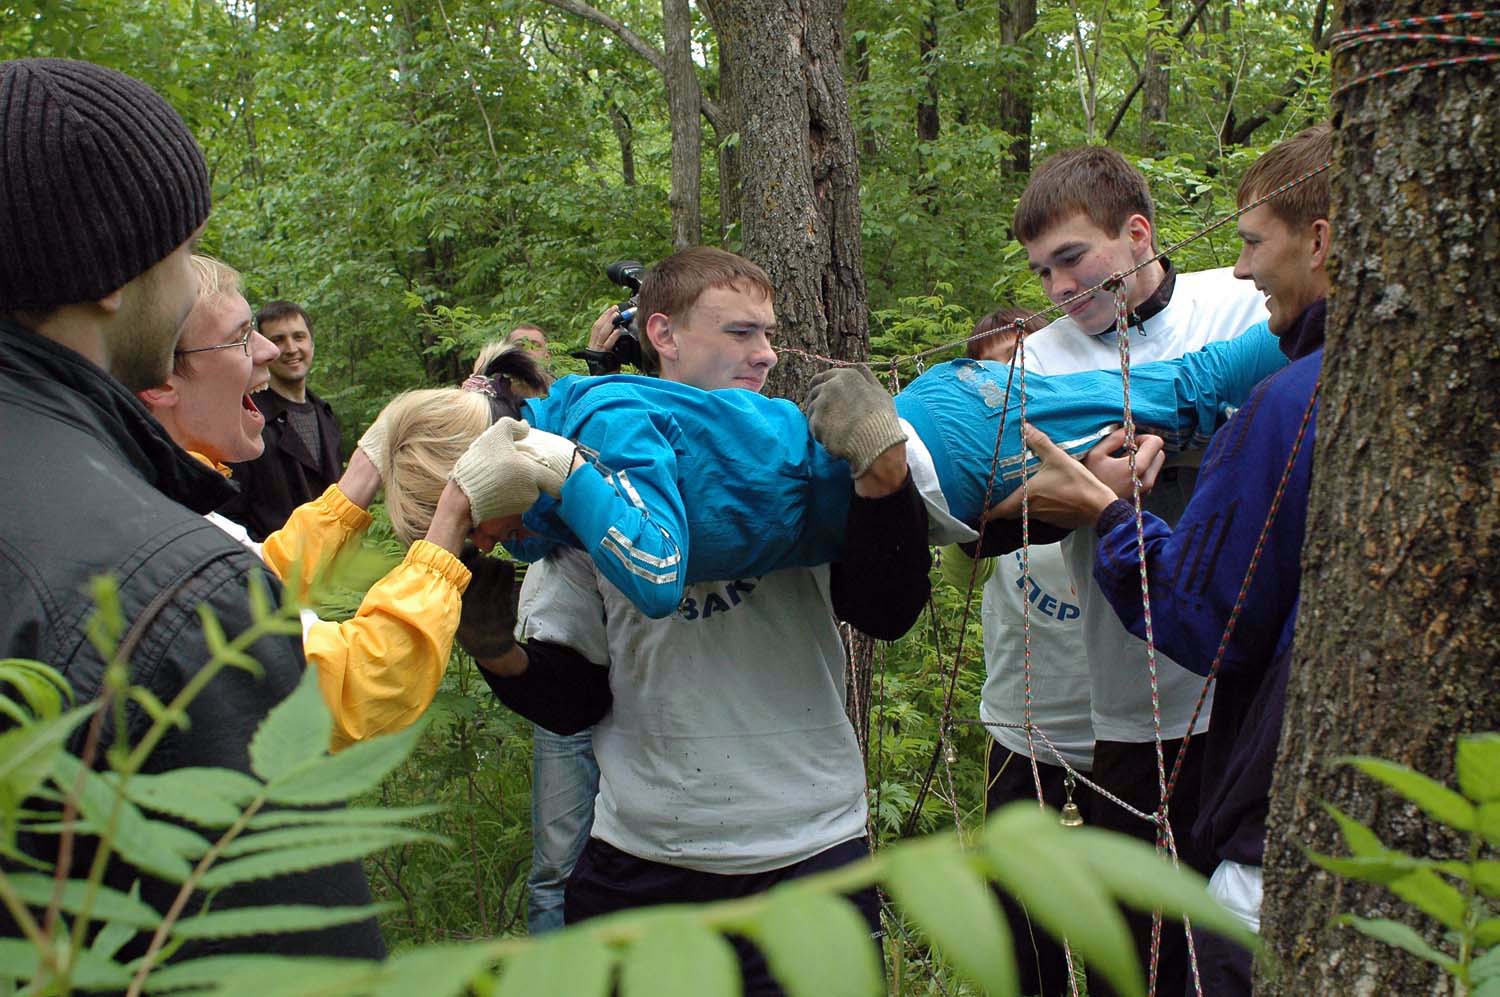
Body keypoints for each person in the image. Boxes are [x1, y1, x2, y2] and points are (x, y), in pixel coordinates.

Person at [454, 246, 932, 994]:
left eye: (770, 334)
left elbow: (884, 610)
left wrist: (883, 476)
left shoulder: (799, 455)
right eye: (741, 333)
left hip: (808, 845)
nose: (766, 353)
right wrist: (498, 655)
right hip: (647, 853)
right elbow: (580, 695)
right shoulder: (588, 466)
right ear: (664, 335)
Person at [0, 58, 381, 959]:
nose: (189, 288)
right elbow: (300, 971)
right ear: (107, 273)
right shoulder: (174, 594)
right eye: (180, 251)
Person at [1007, 124, 1333, 996]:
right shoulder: (1034, 361)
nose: (1059, 287)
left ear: (1139, 235)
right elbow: (988, 511)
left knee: (1225, 950)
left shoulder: (1242, 314)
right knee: (1134, 958)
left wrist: (1183, 424)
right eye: (1041, 272)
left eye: (1073, 258)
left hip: (1243, 707)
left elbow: (1276, 400)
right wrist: (1079, 488)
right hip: (1129, 712)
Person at [425, 314, 1286, 621]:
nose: (473, 541)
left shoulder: (597, 422)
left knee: (1192, 387)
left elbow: (657, 574)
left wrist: (544, 462)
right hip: (937, 456)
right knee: (1179, 401)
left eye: (462, 516)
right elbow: (552, 537)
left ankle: (1323, 293)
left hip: (938, 439)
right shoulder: (568, 445)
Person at [136, 255, 492, 751]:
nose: (268, 351)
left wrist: (362, 474)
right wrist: (447, 528)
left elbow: (260, 572)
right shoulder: (167, 546)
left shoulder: (157, 499)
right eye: (243, 337)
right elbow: (354, 686)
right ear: (160, 382)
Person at [942, 305, 1093, 997]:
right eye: (997, 376)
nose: (1015, 390)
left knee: (1121, 921)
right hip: (1020, 734)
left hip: (1116, 738)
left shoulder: (1111, 453)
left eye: (1030, 371)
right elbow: (958, 565)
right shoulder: (982, 479)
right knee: (1026, 928)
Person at [222, 299, 343, 540]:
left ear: (312, 343)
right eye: (278, 339)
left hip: (334, 568)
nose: (290, 348)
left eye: (299, 337)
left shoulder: (326, 416)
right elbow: (229, 510)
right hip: (274, 567)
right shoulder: (247, 419)